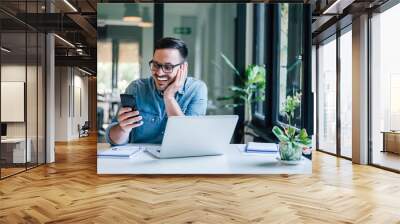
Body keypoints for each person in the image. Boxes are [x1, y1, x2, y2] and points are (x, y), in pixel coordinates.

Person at [106, 37, 208, 145]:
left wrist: (169, 97)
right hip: (140, 159)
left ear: (183, 68)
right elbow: (114, 140)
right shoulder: (136, 88)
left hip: (178, 159)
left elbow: (189, 139)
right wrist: (123, 129)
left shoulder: (196, 89)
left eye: (168, 67)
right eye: (155, 65)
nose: (159, 73)